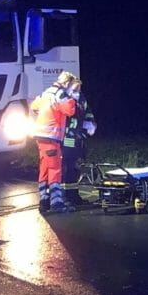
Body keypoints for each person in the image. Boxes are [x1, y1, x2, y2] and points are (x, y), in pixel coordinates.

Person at [29, 71, 77, 213]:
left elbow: (34, 106)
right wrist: (71, 98)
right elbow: (70, 111)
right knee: (55, 169)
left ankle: (44, 201)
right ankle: (57, 203)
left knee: (45, 168)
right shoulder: (61, 95)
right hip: (51, 137)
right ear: (67, 83)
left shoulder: (45, 93)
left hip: (40, 136)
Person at [59, 77, 97, 206]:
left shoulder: (81, 99)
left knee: (76, 168)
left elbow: (87, 112)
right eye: (75, 89)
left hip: (78, 137)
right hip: (67, 138)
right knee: (67, 168)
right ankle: (65, 197)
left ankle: (74, 196)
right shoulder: (63, 99)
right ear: (68, 88)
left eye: (79, 89)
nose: (78, 92)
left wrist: (90, 123)